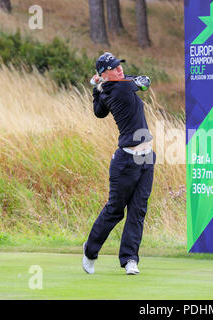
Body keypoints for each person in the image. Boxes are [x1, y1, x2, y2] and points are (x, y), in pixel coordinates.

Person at [82, 52, 155, 275]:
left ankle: (130, 259)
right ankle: (90, 251)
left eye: (119, 65)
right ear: (104, 73)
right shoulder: (122, 88)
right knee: (115, 210)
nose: (120, 69)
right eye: (114, 68)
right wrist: (103, 84)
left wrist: (96, 87)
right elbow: (144, 83)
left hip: (146, 157)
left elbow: (98, 111)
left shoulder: (109, 89)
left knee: (138, 210)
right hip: (127, 161)